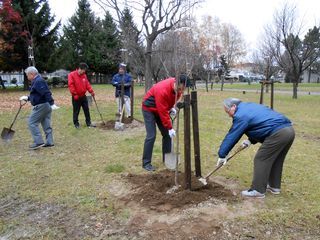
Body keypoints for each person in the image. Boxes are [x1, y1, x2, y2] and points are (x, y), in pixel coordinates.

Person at [217, 98, 295, 198]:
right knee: (276, 160)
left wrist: (222, 155)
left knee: (261, 159)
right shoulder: (249, 106)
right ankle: (274, 187)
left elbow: (232, 136)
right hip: (289, 130)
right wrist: (250, 140)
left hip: (278, 134)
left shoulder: (240, 115)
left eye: (228, 111)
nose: (229, 115)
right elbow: (262, 123)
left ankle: (257, 190)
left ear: (234, 106)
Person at [141, 74, 190, 171]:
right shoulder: (162, 90)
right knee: (151, 135)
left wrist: (171, 107)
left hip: (159, 108)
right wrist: (170, 128)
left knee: (167, 135)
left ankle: (166, 159)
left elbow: (173, 98)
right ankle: (146, 163)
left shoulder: (177, 88)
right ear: (177, 83)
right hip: (149, 109)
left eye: (183, 89)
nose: (181, 91)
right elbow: (162, 112)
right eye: (181, 89)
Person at [19, 66, 59, 150]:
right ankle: (49, 142)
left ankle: (38, 142)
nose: (27, 77)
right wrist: (27, 98)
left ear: (32, 74)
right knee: (46, 123)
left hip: (42, 105)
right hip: (45, 105)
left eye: (27, 75)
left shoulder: (38, 81)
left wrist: (52, 103)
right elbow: (37, 94)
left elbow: (46, 92)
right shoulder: (37, 81)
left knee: (31, 123)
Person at [68, 63, 95, 128]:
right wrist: (74, 94)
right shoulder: (71, 75)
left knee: (86, 109)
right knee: (76, 111)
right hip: (76, 97)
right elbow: (71, 85)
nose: (84, 71)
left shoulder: (84, 75)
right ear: (80, 69)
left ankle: (88, 123)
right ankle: (76, 124)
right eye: (84, 70)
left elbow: (87, 84)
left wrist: (91, 91)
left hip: (83, 96)